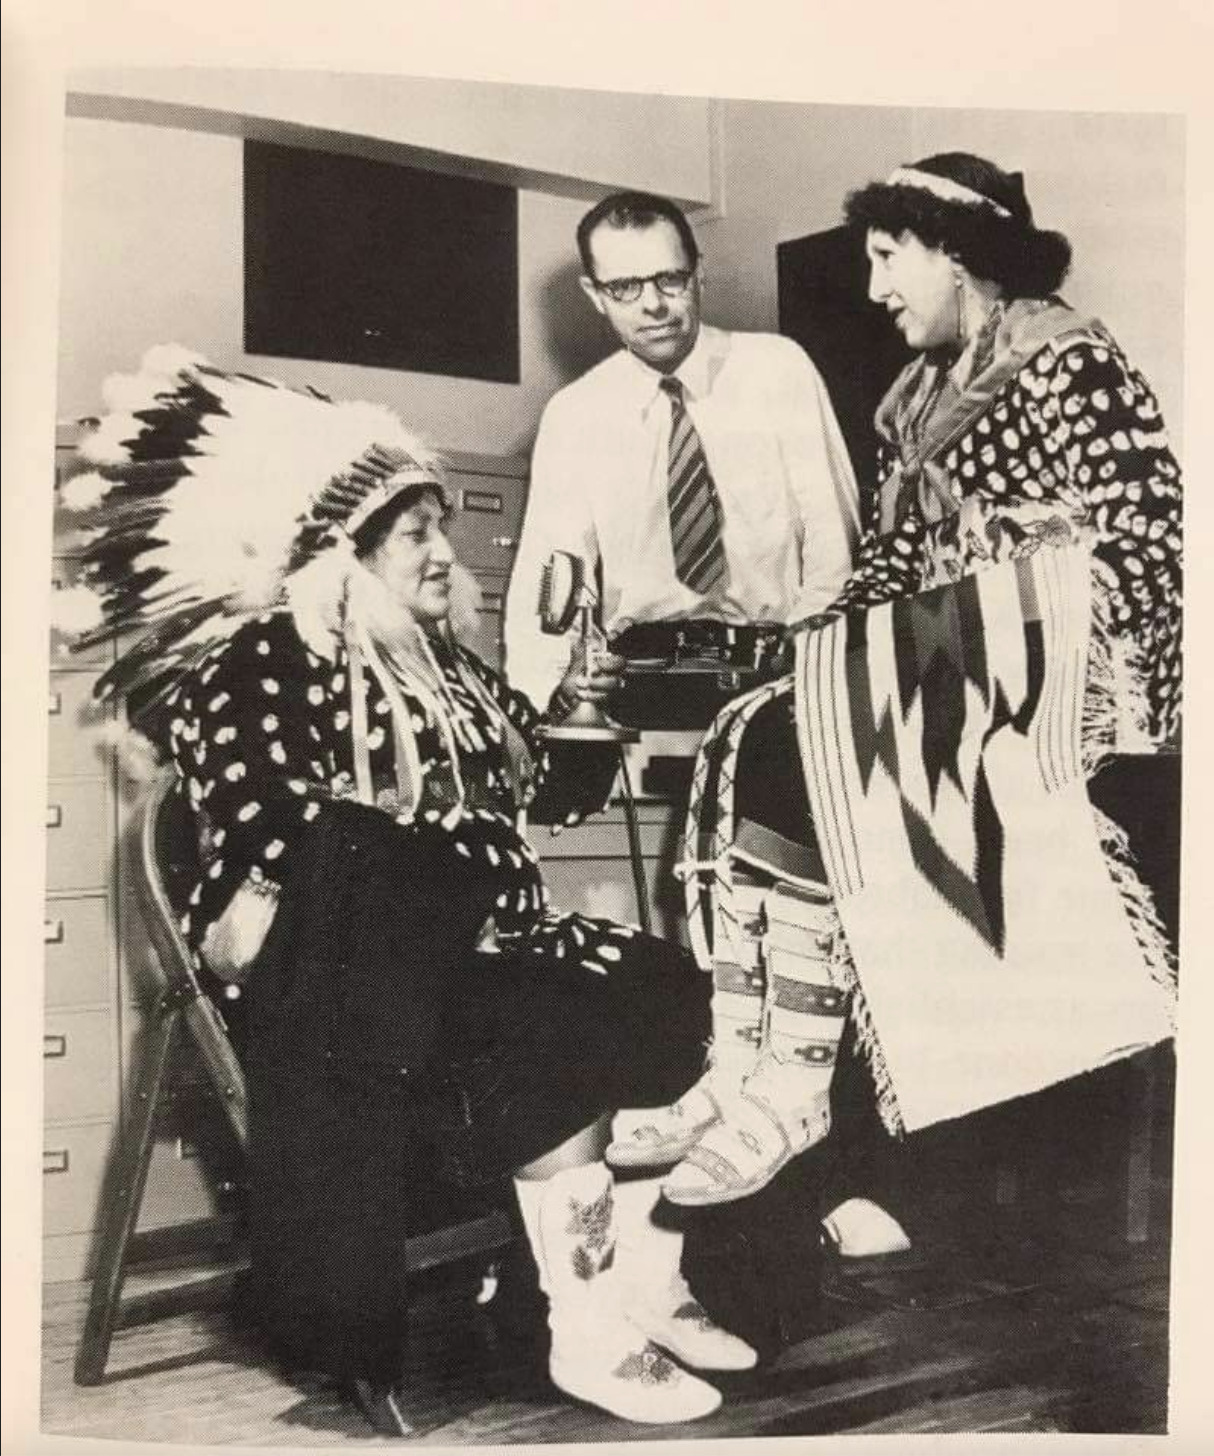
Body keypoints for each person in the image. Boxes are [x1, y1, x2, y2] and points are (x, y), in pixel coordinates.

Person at [56, 348, 759, 1434]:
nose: (445, 549)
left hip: (466, 959)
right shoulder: (257, 663)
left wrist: (580, 715)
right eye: (413, 532)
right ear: (341, 556)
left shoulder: (444, 667)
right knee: (550, 1017)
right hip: (344, 984)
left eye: (441, 524)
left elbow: (542, 784)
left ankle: (619, 1281)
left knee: (665, 980)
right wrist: (442, 877)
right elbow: (276, 833)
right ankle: (582, 1323)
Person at [608, 152, 1181, 1212]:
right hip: (949, 664)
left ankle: (794, 1085)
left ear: (955, 253)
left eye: (886, 257)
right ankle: (740, 1063)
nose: (872, 288)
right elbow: (885, 565)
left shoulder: (1068, 361)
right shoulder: (914, 400)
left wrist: (996, 583)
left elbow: (1147, 541)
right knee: (753, 724)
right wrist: (810, 638)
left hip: (1070, 687)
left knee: (797, 741)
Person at [504, 190, 861, 729]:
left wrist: (810, 664)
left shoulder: (777, 370)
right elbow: (549, 578)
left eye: (669, 279)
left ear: (699, 274)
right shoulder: (575, 413)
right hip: (638, 683)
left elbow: (836, 542)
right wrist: (544, 703)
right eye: (624, 287)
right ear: (594, 294)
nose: (653, 305)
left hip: (775, 676)